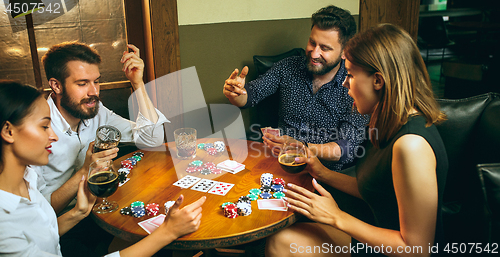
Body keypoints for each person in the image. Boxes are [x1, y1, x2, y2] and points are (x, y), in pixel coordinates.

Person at [265, 24, 448, 256]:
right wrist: (322, 173)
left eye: (350, 75)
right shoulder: (386, 123)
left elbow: (417, 249)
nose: (344, 83)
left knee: (282, 243)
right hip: (378, 234)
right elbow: (378, 189)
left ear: (378, 81)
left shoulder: (411, 145)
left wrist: (336, 217)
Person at [0, 81, 206, 257]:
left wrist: (78, 212)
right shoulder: (4, 223)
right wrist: (167, 232)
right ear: (9, 131)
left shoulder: (26, 178)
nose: (53, 136)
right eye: (44, 126)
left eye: (96, 81)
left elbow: (45, 235)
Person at [34, 42, 169, 256]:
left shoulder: (95, 111)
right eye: (82, 83)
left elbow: (152, 140)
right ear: (56, 85)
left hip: (101, 209)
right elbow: (38, 213)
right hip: (63, 227)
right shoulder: (36, 127)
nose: (93, 92)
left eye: (96, 81)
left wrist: (138, 84)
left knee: (161, 244)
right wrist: (84, 172)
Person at [223, 5, 369, 171]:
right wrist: (235, 94)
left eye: (325, 48)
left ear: (345, 51)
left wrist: (302, 147)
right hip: (279, 165)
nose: (314, 53)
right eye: (312, 43)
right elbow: (250, 95)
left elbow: (345, 149)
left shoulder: (354, 85)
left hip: (324, 174)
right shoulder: (288, 67)